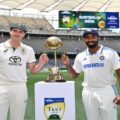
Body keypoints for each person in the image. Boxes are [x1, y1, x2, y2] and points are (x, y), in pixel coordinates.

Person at [61, 30, 120, 120]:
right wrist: (68, 64)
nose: (90, 39)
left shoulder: (110, 53)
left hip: (107, 90)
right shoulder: (80, 56)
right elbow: (74, 75)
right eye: (87, 37)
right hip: (88, 92)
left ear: (98, 38)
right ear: (84, 39)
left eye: (93, 37)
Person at [0, 23, 49, 120]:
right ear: (10, 32)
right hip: (2, 86)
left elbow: (33, 71)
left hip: (20, 87)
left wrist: (41, 63)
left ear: (24, 34)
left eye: (20, 32)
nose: (17, 34)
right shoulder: (0, 47)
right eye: (14, 31)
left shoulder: (28, 50)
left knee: (18, 117)